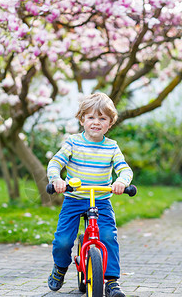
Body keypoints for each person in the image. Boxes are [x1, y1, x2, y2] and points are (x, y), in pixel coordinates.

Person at [47, 92, 133, 297]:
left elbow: (125, 169)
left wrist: (121, 182)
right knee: (63, 241)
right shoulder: (73, 142)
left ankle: (112, 281)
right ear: (82, 119)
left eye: (102, 118)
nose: (96, 122)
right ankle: (60, 267)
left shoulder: (111, 147)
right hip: (74, 199)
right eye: (91, 117)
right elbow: (55, 163)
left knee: (107, 237)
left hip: (101, 200)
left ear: (110, 123)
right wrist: (57, 179)